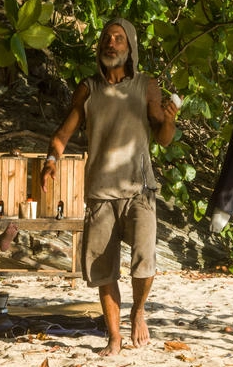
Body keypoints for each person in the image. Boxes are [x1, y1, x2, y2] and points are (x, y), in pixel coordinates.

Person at [39, 18, 178, 356]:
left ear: (130, 48)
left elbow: (162, 137)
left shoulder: (146, 86)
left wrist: (170, 119)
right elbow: (61, 135)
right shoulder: (88, 89)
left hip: (140, 189)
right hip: (100, 194)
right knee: (103, 271)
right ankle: (114, 338)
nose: (110, 44)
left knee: (144, 262)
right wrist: (51, 161)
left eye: (118, 39)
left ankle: (139, 309)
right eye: (106, 38)